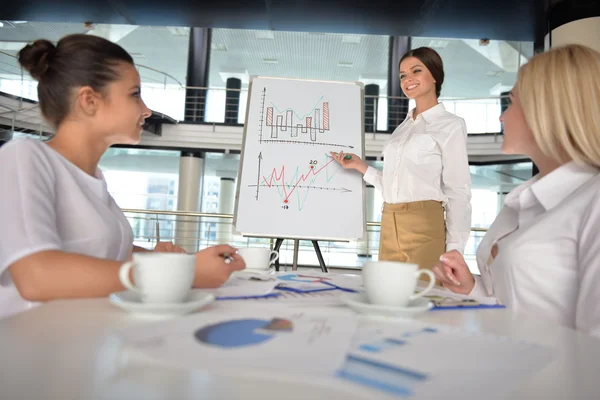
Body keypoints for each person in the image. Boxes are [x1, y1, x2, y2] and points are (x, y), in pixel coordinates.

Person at [0, 34, 245, 319]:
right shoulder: (24, 156)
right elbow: (36, 276)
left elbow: (104, 252)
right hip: (35, 352)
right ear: (89, 100)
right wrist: (181, 274)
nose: (146, 110)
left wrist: (173, 262)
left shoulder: (92, 178)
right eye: (134, 94)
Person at [432, 44, 600, 337]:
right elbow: (516, 305)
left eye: (512, 103)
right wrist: (471, 288)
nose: (501, 118)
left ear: (547, 110)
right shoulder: (521, 202)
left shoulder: (593, 203)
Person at [332, 47, 471, 273]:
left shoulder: (451, 125)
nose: (408, 79)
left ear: (435, 75)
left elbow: (458, 190)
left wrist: (456, 248)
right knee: (389, 296)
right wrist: (360, 166)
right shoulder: (401, 130)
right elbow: (391, 186)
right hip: (389, 220)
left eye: (416, 71)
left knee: (423, 295)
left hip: (425, 223)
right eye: (403, 75)